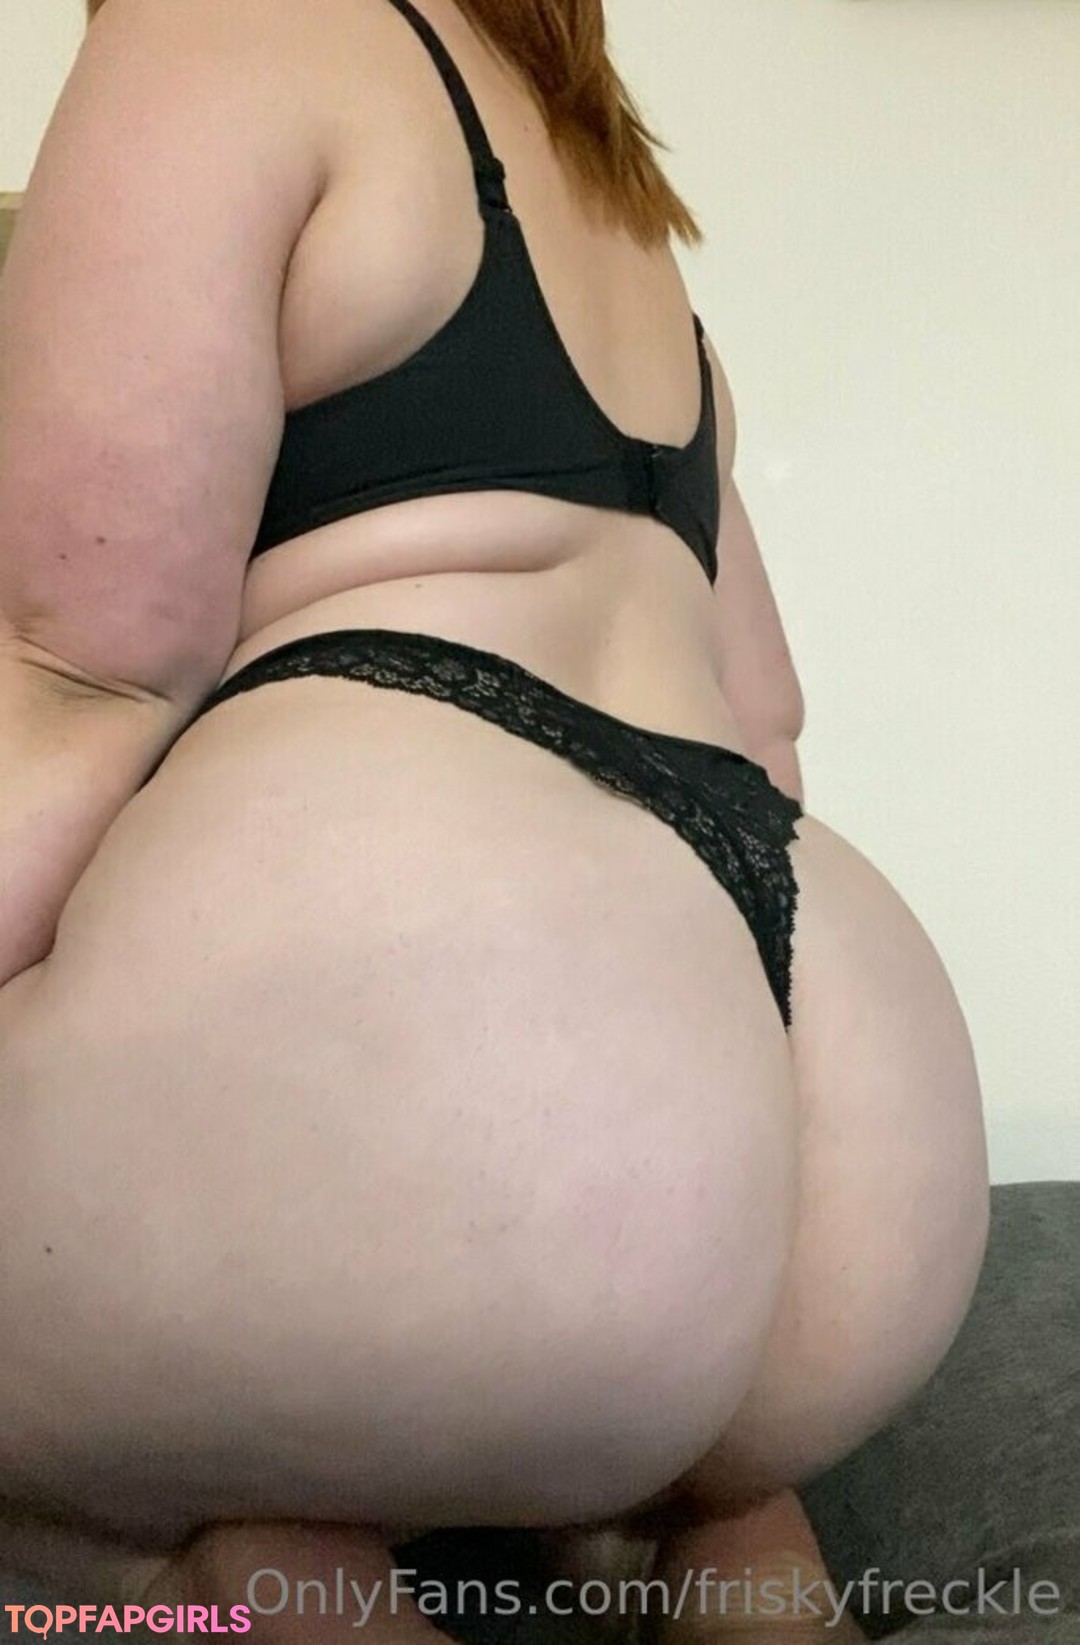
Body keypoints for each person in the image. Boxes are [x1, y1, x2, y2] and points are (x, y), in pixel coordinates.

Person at [0, 0, 990, 1636]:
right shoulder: (628, 224)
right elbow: (767, 722)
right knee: (634, 1427)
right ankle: (722, 1531)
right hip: (840, 1104)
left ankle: (232, 1581)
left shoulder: (216, 28)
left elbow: (86, 667)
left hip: (498, 1074)